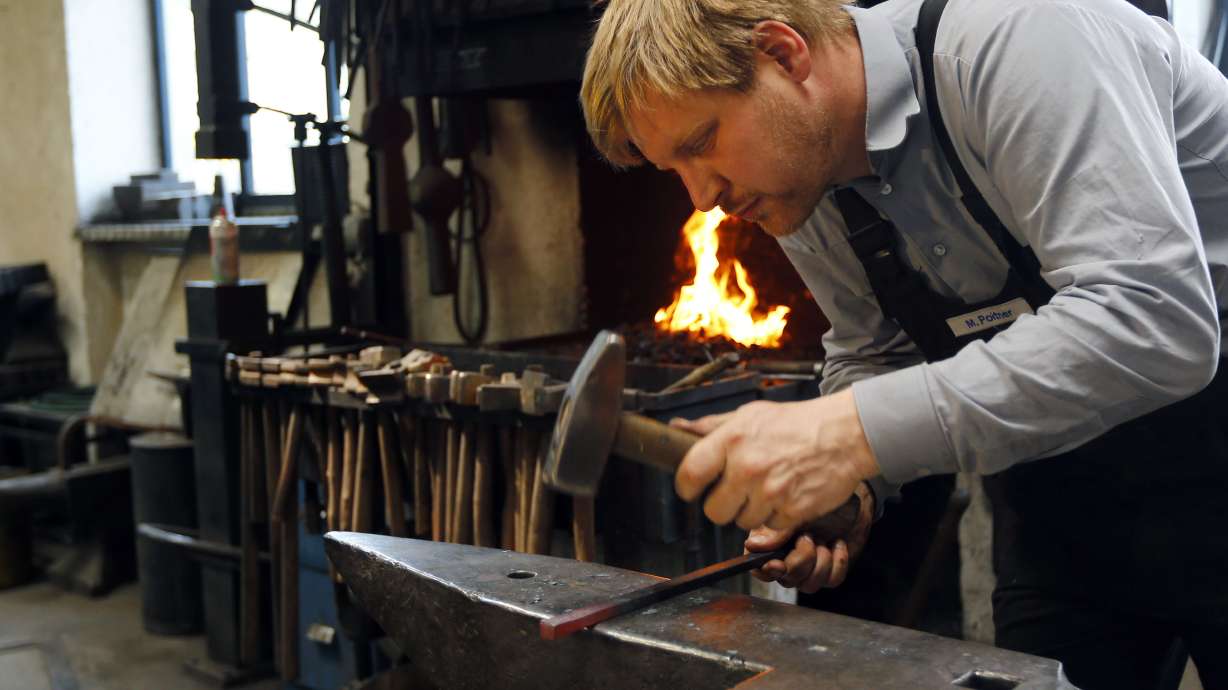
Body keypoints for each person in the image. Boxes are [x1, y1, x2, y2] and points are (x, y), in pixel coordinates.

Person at [579, 0, 1228, 687]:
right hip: (1059, 497)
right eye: (672, 169)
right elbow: (877, 349)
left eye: (701, 141)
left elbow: (1156, 318)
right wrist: (849, 490)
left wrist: (844, 434)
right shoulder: (802, 175)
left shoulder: (1018, 40)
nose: (700, 196)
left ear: (782, 53)